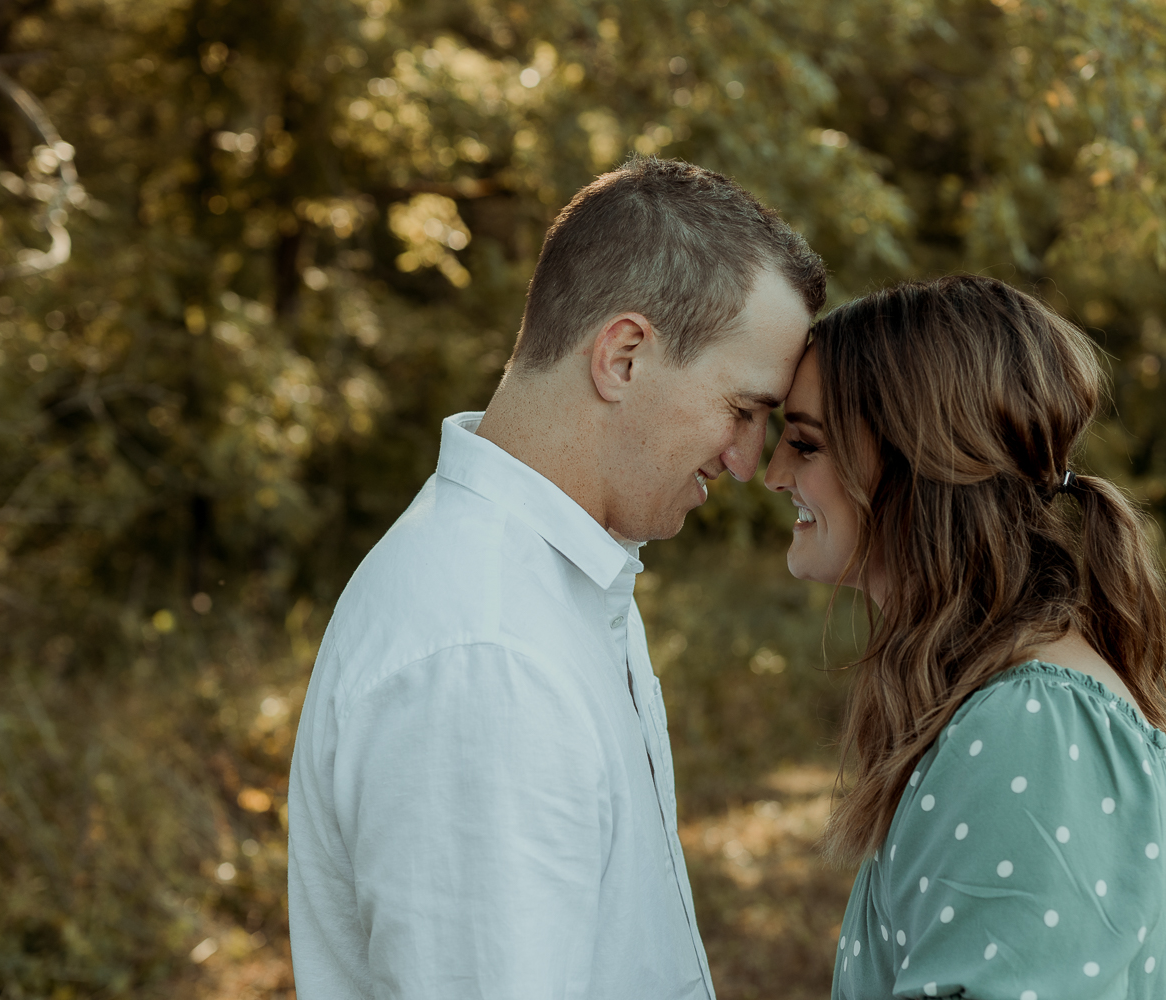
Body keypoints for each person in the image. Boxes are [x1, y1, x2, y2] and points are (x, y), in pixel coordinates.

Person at [287, 157, 826, 999]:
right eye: (744, 411)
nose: (750, 461)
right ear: (624, 357)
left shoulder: (558, 583)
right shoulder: (485, 654)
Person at [764, 275, 1166, 1000]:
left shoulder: (1036, 726)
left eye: (804, 444)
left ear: (919, 461)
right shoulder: (1012, 707)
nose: (773, 473)